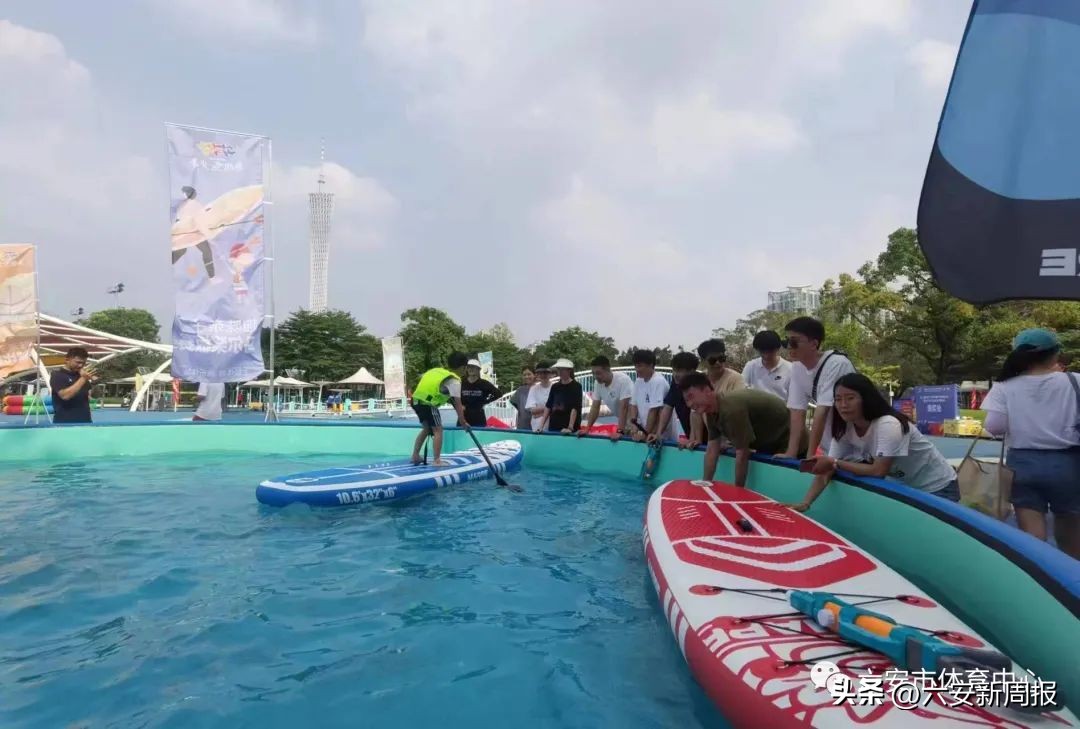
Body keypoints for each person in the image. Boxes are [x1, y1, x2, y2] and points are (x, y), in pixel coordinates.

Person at [786, 373, 960, 512]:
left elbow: (878, 471)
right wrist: (806, 503)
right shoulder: (845, 429)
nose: (843, 405)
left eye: (850, 398)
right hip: (908, 486)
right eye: (838, 399)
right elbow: (826, 470)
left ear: (866, 398)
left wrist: (835, 462)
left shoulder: (888, 424)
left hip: (939, 487)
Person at [981, 329, 1080, 558]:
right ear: (1056, 354)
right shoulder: (1075, 381)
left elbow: (994, 426)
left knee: (1031, 534)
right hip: (1068, 464)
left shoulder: (1004, 386)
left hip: (1022, 464)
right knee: (1071, 527)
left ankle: (1041, 578)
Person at [681, 372, 800, 487]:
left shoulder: (731, 409)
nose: (689, 404)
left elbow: (742, 453)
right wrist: (704, 484)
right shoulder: (711, 411)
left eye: (691, 397)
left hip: (792, 444)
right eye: (686, 400)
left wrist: (737, 491)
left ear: (707, 390)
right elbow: (712, 449)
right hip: (769, 445)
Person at [776, 316, 856, 461]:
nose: (788, 347)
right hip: (830, 447)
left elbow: (822, 411)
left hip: (854, 447)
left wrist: (810, 456)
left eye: (794, 342)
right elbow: (796, 411)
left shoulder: (837, 364)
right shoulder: (797, 367)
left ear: (814, 344)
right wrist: (791, 453)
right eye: (786, 342)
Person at [410, 352, 470, 466]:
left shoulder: (437, 371)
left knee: (427, 429)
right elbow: (458, 403)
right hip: (428, 403)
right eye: (465, 368)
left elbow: (439, 391)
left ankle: (415, 455)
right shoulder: (454, 381)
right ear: (463, 367)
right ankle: (437, 460)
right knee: (438, 430)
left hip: (415, 400)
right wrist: (463, 422)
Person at [688, 339, 746, 448]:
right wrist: (695, 439)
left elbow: (739, 412)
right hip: (713, 438)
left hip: (734, 439)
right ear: (703, 361)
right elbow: (695, 412)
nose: (718, 363)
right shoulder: (699, 381)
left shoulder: (736, 379)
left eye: (721, 359)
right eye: (712, 360)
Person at [649, 351, 700, 446]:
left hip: (707, 439)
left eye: (680, 371)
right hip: (691, 438)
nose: (676, 374)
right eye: (674, 370)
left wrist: (693, 439)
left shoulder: (701, 386)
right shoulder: (676, 384)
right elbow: (667, 408)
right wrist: (659, 434)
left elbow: (699, 414)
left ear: (692, 372)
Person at [579, 355, 632, 440]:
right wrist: (587, 429)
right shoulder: (598, 383)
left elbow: (624, 407)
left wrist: (620, 431)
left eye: (598, 373)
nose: (595, 376)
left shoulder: (623, 380)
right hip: (624, 423)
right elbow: (595, 407)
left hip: (638, 422)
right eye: (593, 373)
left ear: (608, 369)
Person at [172, 186, 217, 280]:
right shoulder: (194, 205)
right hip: (193, 233)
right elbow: (200, 221)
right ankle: (212, 277)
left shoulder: (182, 205)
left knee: (180, 250)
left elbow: (179, 220)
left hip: (182, 233)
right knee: (207, 252)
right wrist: (209, 234)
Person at [629, 349, 669, 441]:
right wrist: (634, 427)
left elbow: (654, 411)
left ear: (651, 365)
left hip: (663, 437)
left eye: (640, 366)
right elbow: (633, 406)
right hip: (648, 433)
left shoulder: (658, 381)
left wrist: (645, 434)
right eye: (635, 366)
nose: (637, 369)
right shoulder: (638, 381)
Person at [49, 347, 97, 424]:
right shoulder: (57, 375)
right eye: (78, 362)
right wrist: (83, 379)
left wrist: (95, 382)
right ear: (67, 360)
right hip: (64, 423)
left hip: (86, 422)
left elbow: (93, 396)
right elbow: (65, 396)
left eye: (83, 363)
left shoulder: (81, 376)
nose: (80, 366)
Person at [742, 330, 792, 401]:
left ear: (778, 348)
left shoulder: (790, 369)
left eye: (770, 351)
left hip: (781, 409)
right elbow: (742, 388)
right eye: (762, 352)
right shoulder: (751, 366)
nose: (766, 355)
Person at [538, 358, 583, 434]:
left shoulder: (577, 386)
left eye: (562, 370)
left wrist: (570, 427)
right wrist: (540, 426)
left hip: (569, 429)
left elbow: (575, 408)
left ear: (569, 370)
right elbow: (548, 405)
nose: (560, 372)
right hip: (554, 426)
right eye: (559, 369)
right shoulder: (555, 386)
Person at [460, 358, 502, 428]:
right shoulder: (461, 382)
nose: (471, 369)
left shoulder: (484, 384)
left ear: (478, 369)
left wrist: (485, 402)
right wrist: (458, 405)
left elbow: (498, 394)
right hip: (463, 417)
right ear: (466, 369)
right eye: (469, 367)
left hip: (478, 417)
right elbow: (449, 395)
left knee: (480, 437)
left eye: (473, 367)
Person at [525, 363, 554, 431]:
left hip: (552, 426)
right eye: (540, 373)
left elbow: (557, 408)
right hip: (537, 427)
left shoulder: (555, 388)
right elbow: (532, 411)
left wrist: (539, 413)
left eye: (545, 373)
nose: (543, 375)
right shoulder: (534, 389)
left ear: (550, 374)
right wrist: (549, 409)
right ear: (537, 375)